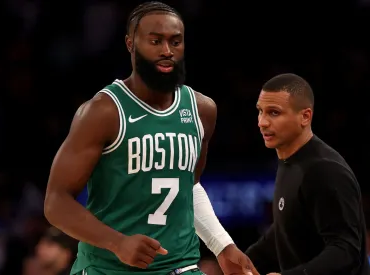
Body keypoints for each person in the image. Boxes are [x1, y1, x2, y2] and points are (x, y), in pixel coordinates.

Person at [43, 2, 257, 275]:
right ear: (131, 44)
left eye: (175, 42)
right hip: (108, 267)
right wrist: (117, 243)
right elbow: (55, 202)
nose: (167, 51)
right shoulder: (103, 111)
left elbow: (189, 186)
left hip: (181, 265)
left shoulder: (202, 110)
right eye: (155, 41)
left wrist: (222, 245)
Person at [246, 73, 370, 275]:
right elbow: (286, 228)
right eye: (260, 111)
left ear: (305, 117)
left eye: (274, 113)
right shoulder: (289, 160)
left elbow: (346, 250)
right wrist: (243, 262)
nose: (262, 122)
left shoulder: (325, 170)